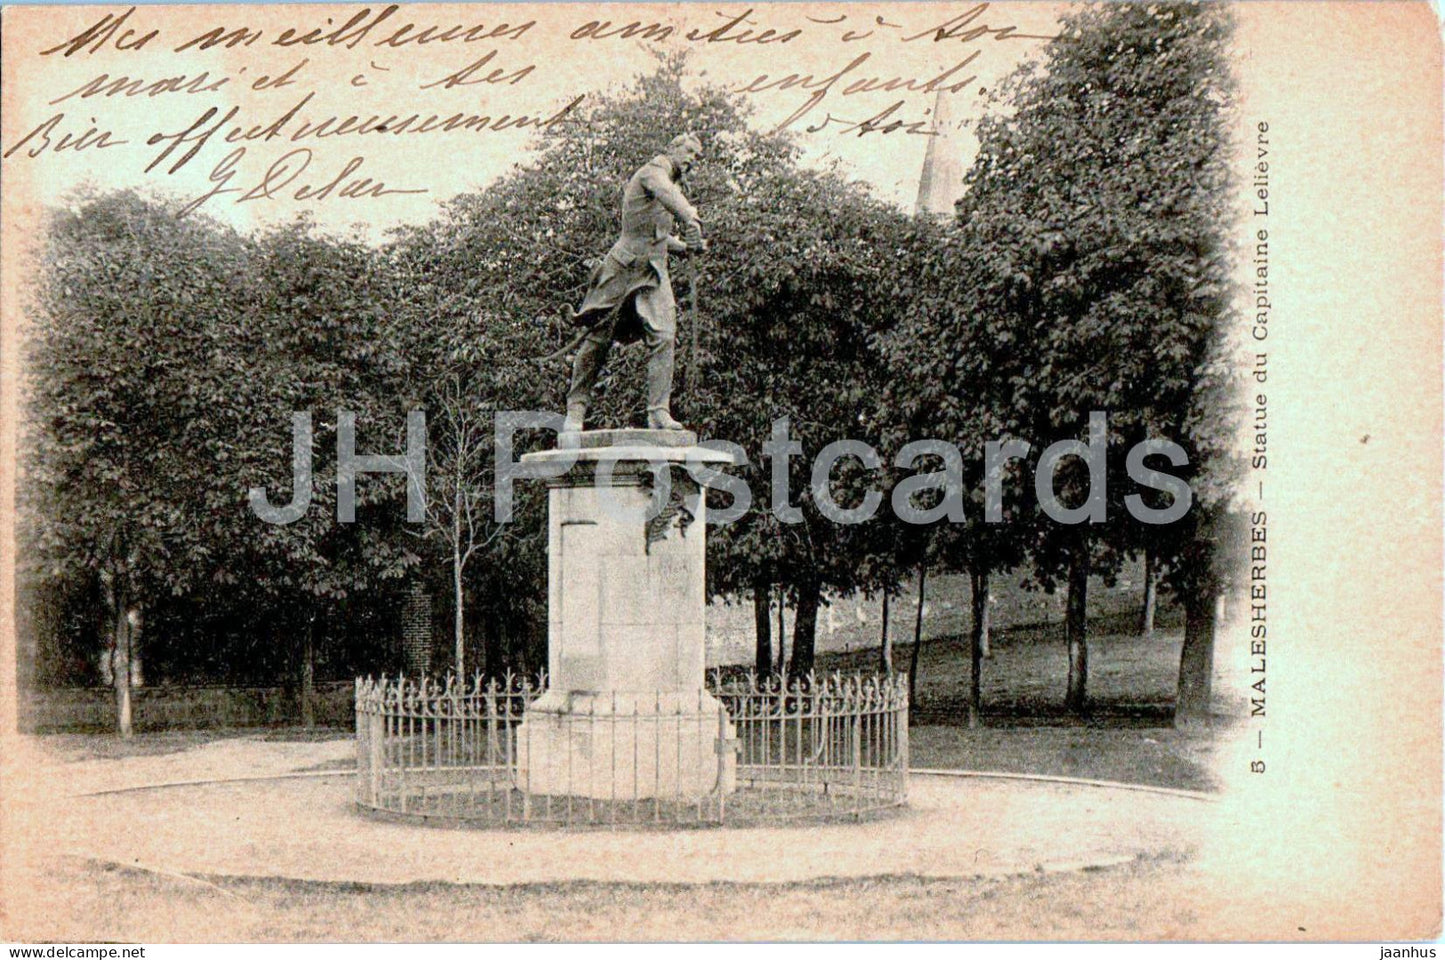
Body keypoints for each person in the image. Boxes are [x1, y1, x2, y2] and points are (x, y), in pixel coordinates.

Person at [561, 133, 708, 434]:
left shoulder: (675, 184)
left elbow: (657, 235)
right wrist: (690, 217)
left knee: (664, 336)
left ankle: (658, 412)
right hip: (622, 268)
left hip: (653, 272)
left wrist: (686, 246)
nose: (693, 158)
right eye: (690, 151)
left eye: (698, 155)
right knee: (598, 339)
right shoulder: (652, 173)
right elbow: (669, 196)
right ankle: (576, 410)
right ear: (674, 149)